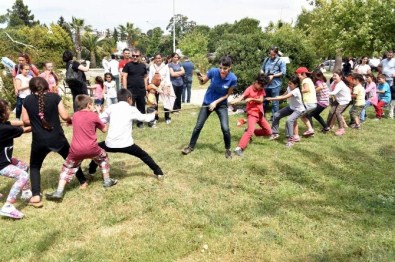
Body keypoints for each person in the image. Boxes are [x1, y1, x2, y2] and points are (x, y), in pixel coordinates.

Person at [21, 77, 87, 208]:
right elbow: (64, 116)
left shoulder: (27, 100)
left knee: (35, 166)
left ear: (31, 88)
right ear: (46, 86)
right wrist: (69, 119)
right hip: (57, 138)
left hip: (39, 140)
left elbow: (25, 120)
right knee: (71, 159)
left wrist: (37, 120)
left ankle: (36, 196)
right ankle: (83, 182)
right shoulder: (55, 97)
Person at [46, 95, 116, 201]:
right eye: (92, 104)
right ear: (89, 105)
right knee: (103, 158)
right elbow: (104, 129)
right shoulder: (93, 116)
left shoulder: (76, 115)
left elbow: (71, 121)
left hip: (76, 150)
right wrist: (100, 114)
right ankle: (107, 180)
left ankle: (59, 191)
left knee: (67, 168)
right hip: (92, 149)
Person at [88, 89, 164, 179]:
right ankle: (158, 172)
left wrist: (98, 113)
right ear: (129, 98)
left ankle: (91, 171)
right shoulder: (131, 109)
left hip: (110, 144)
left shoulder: (111, 107)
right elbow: (145, 118)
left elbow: (101, 120)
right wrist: (153, 114)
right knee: (143, 155)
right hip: (127, 144)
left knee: (97, 151)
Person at [182, 56, 237, 159]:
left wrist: (215, 102)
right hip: (207, 102)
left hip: (221, 104)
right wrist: (200, 79)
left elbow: (227, 95)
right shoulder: (213, 71)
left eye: (225, 68)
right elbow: (203, 82)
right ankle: (190, 147)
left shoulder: (233, 78)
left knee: (225, 128)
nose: (222, 70)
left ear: (230, 67)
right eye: (220, 67)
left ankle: (228, 149)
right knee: (198, 125)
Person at [0, 99, 31, 219]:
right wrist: (38, 124)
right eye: (7, 110)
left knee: (23, 166)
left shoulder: (3, 125)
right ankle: (8, 206)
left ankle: (26, 192)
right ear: (2, 114)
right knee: (23, 175)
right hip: (2, 164)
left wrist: (28, 121)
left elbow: (12, 123)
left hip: (4, 159)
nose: (9, 111)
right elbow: (26, 130)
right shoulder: (3, 129)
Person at [231, 74, 272, 156]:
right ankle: (239, 148)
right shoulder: (249, 89)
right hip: (252, 113)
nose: (262, 87)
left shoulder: (261, 89)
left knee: (268, 131)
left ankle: (249, 132)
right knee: (250, 130)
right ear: (256, 82)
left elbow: (260, 100)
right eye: (261, 85)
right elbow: (241, 97)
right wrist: (234, 101)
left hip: (260, 113)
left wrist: (251, 99)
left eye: (263, 86)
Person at [266, 76, 305, 148]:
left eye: (290, 84)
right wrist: (275, 97)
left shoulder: (296, 91)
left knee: (289, 120)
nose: (289, 85)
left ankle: (291, 140)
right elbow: (283, 95)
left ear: (296, 85)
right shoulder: (289, 88)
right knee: (276, 115)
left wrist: (271, 98)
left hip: (299, 110)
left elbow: (284, 97)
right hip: (291, 107)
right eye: (288, 83)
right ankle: (275, 133)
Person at [122, 48, 148, 128]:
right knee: (130, 108)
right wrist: (125, 90)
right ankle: (129, 123)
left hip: (141, 90)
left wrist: (146, 89)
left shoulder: (143, 66)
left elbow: (145, 78)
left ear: (140, 56)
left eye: (137, 56)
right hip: (130, 90)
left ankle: (140, 123)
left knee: (141, 107)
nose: (135, 57)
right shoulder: (128, 65)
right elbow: (124, 77)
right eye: (133, 55)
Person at [261, 47, 286, 119]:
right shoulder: (266, 60)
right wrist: (262, 73)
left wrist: (273, 76)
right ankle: (262, 116)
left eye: (273, 54)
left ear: (276, 53)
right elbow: (262, 69)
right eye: (270, 54)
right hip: (266, 85)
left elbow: (283, 72)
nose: (272, 56)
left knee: (275, 103)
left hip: (275, 85)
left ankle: (275, 117)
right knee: (264, 101)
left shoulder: (281, 61)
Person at [148, 53, 174, 124]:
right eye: (156, 58)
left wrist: (168, 86)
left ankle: (167, 117)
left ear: (162, 58)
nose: (158, 59)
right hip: (155, 86)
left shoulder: (166, 66)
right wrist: (153, 87)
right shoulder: (152, 67)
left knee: (166, 102)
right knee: (154, 103)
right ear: (154, 59)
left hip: (164, 85)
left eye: (159, 58)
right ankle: (155, 117)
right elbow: (150, 77)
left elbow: (168, 77)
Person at [327, 70, 352, 136]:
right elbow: (330, 90)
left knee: (338, 112)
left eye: (335, 76)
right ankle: (327, 127)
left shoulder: (340, 84)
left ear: (340, 76)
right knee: (331, 112)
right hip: (338, 100)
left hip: (345, 101)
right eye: (333, 75)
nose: (334, 77)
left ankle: (341, 129)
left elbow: (334, 92)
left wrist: (325, 93)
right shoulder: (334, 83)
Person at [295, 67, 317, 137]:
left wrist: (296, 92)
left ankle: (294, 134)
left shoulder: (305, 80)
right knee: (303, 116)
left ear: (303, 74)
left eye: (298, 75)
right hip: (313, 103)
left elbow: (306, 89)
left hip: (309, 103)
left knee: (295, 117)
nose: (298, 77)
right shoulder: (309, 80)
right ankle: (310, 130)